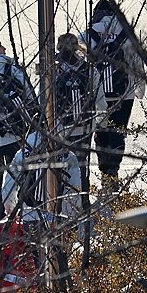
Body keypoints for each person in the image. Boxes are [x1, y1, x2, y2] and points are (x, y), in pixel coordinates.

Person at [83, 0, 145, 188]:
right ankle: (113, 171)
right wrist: (139, 90)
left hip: (98, 95)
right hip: (123, 95)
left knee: (101, 132)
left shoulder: (87, 35)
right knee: (118, 133)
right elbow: (137, 65)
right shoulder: (126, 35)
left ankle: (104, 170)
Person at [0, 35, 35, 221]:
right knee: (19, 172)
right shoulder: (10, 66)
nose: (3, 49)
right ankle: (20, 212)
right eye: (0, 46)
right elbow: (30, 95)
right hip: (13, 130)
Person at [53, 32, 104, 195]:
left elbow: (45, 99)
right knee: (82, 166)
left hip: (61, 128)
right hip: (85, 127)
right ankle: (83, 200)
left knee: (61, 167)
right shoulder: (89, 68)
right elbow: (101, 100)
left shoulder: (53, 68)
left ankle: (63, 201)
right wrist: (100, 124)